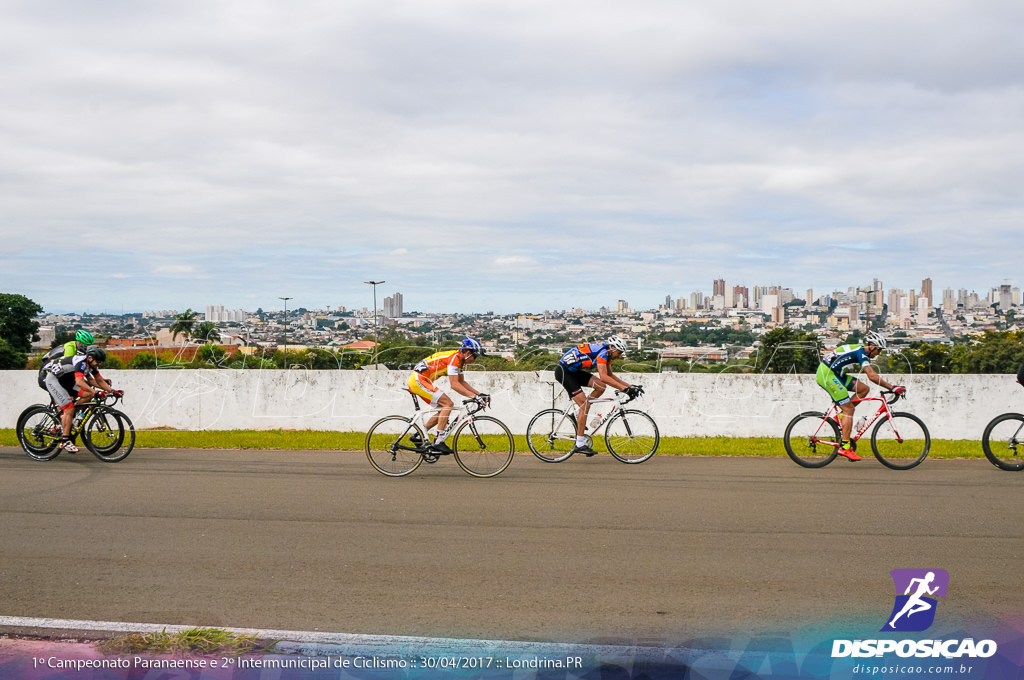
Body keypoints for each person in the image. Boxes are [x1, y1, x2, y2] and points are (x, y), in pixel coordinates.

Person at [816, 331, 904, 461]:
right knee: (849, 409)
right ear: (871, 346)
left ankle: (840, 417)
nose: (878, 353)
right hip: (827, 376)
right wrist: (892, 387)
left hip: (836, 374)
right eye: (878, 350)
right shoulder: (861, 353)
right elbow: (872, 376)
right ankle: (845, 448)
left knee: (863, 389)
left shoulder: (860, 350)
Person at [554, 335, 641, 457]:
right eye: (620, 352)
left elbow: (610, 375)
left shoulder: (607, 354)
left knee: (600, 387)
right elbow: (604, 377)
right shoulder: (603, 353)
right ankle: (579, 444)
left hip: (573, 371)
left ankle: (578, 413)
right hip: (564, 372)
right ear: (613, 348)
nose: (620, 356)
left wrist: (630, 387)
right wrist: (624, 389)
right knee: (585, 405)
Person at [407, 337, 489, 454]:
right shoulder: (454, 359)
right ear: (468, 353)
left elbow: (462, 382)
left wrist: (479, 394)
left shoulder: (459, 361)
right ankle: (438, 441)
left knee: (443, 410)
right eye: (475, 356)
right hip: (418, 380)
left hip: (422, 381)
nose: (475, 360)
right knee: (448, 404)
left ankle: (418, 435)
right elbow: (454, 385)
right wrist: (474, 397)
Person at [40, 345, 116, 454]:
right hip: (54, 380)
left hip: (67, 380)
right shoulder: (81, 363)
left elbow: (98, 381)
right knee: (70, 407)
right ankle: (65, 440)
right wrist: (96, 392)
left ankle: (69, 417)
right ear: (90, 358)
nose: (99, 364)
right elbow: (79, 382)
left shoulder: (90, 364)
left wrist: (112, 391)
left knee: (88, 395)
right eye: (98, 361)